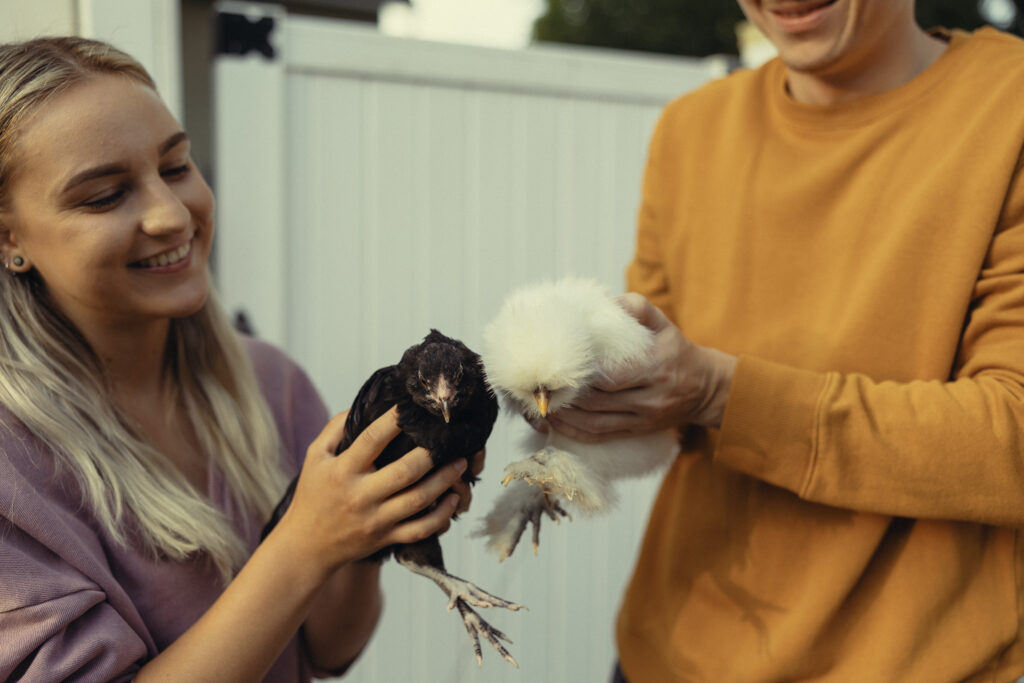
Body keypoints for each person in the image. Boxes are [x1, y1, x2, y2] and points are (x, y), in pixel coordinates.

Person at [543, 1, 1024, 681]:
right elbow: (661, 412)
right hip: (671, 659)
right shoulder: (691, 131)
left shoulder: (1009, 106)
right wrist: (575, 396)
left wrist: (721, 392)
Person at [0, 36, 480, 681]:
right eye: (105, 195)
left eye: (175, 167)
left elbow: (330, 651)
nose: (173, 215)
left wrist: (374, 525)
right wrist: (305, 546)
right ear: (9, 237)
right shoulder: (13, 467)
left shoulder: (270, 384)